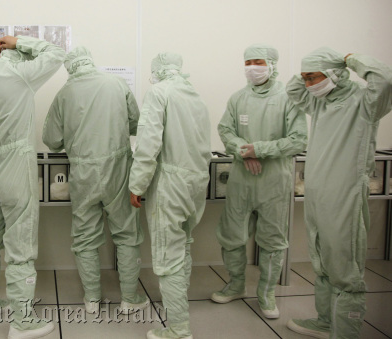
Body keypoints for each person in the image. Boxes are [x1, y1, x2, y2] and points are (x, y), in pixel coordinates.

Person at [286, 48, 392, 339]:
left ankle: (346, 331)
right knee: (321, 258)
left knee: (345, 265)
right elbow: (293, 89)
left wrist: (351, 60)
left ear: (334, 74)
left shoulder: (365, 101)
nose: (308, 84)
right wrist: (310, 70)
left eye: (313, 77)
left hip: (345, 192)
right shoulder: (320, 102)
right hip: (318, 191)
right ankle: (325, 321)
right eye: (306, 77)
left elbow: (385, 79)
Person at [0, 35, 64, 339]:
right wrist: (18, 41)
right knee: (20, 246)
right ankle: (23, 322)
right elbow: (56, 52)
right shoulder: (21, 74)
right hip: (13, 169)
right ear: (20, 57)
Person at [42, 46, 147, 315]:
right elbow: (136, 123)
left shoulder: (65, 93)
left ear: (70, 66)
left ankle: (91, 300)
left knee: (85, 236)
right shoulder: (116, 83)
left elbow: (52, 141)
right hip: (118, 169)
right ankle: (129, 298)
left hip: (83, 174)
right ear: (90, 59)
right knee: (127, 234)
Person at [212, 45, 307, 318]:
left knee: (273, 239)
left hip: (274, 182)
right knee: (231, 235)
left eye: (258, 62)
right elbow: (225, 130)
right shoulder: (238, 98)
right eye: (248, 62)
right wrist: (245, 151)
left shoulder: (288, 98)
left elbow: (299, 139)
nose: (253, 67)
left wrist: (260, 150)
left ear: (272, 65)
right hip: (242, 179)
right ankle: (236, 285)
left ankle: (266, 294)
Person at [129, 53, 211, 339]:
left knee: (168, 254)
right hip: (196, 180)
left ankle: (178, 328)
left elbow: (148, 144)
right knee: (184, 242)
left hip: (171, 184)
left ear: (157, 71)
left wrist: (137, 185)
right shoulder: (194, 95)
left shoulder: (159, 92)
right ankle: (179, 303)